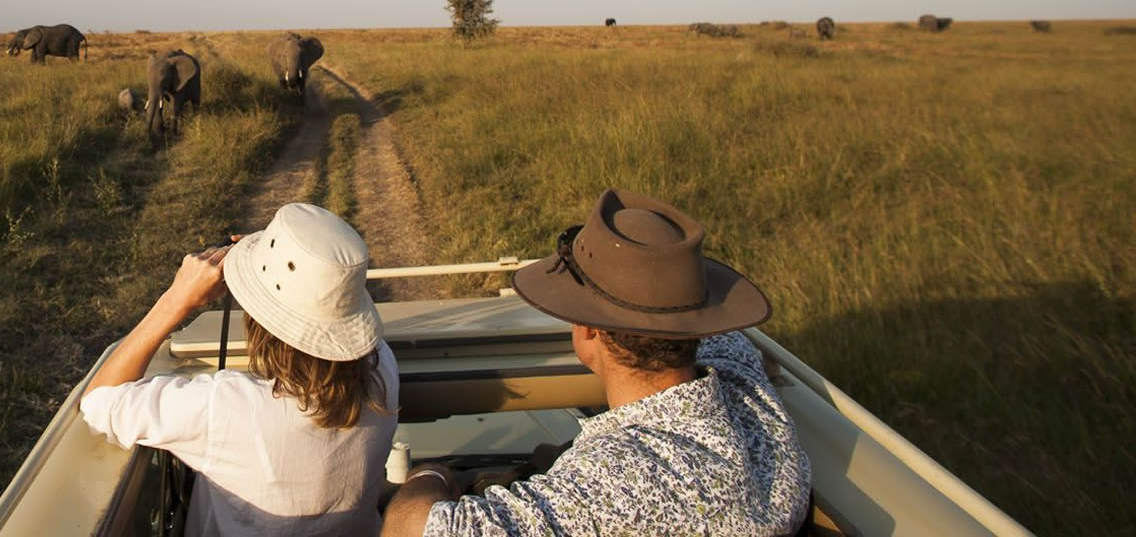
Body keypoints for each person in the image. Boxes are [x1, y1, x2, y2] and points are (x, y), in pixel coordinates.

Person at [382, 189, 811, 536]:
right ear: (692, 327)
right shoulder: (747, 392)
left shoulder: (617, 481)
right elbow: (724, 337)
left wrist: (430, 476)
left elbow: (411, 530)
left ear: (589, 331)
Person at [80, 203, 402, 536]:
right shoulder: (381, 370)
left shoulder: (228, 408)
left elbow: (98, 402)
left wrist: (176, 300)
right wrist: (281, 266)